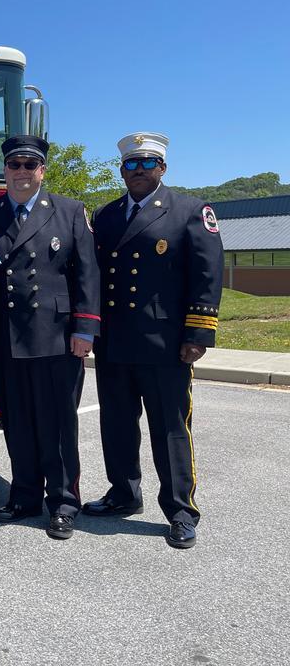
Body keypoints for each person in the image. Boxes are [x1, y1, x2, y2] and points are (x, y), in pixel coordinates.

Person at [83, 132, 223, 550]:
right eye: (131, 164)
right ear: (122, 170)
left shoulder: (190, 211)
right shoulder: (106, 216)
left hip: (165, 344)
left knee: (170, 430)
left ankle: (181, 510)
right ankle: (124, 493)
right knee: (117, 424)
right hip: (114, 341)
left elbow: (207, 275)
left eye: (147, 164)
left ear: (163, 168)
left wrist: (198, 334)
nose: (139, 171)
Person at [0, 135, 99, 540]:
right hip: (6, 336)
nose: (22, 172)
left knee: (58, 424)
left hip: (57, 336)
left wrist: (84, 329)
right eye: (15, 165)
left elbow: (87, 274)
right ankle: (25, 496)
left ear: (42, 170)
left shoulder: (68, 211)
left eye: (31, 165)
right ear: (5, 171)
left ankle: (63, 502)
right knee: (18, 422)